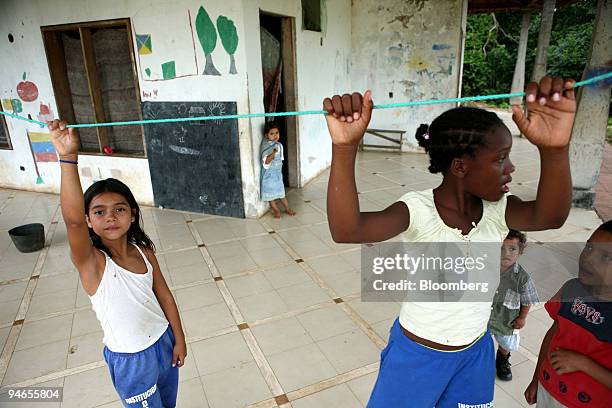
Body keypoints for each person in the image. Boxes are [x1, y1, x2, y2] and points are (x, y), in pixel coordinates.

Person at [322, 76, 576, 407]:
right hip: (416, 357)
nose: (511, 169)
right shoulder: (418, 210)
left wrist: (555, 150)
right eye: (501, 158)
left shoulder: (498, 210)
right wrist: (344, 147)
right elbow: (347, 230)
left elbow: (550, 217)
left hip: (474, 354)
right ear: (460, 167)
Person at [48, 120, 187, 408]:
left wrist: (179, 337)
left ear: (133, 215)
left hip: (163, 341)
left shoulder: (145, 251)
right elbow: (71, 220)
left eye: (119, 209)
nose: (110, 217)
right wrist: (68, 158)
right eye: (99, 212)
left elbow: (165, 297)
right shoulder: (93, 264)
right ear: (88, 220)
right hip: (131, 360)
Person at [524, 220, 612, 407]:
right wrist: (536, 378)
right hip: (547, 390)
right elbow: (553, 332)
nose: (589, 259)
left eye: (605, 257)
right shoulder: (571, 289)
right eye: (589, 248)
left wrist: (584, 364)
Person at [488, 229, 539, 381]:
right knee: (480, 339)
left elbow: (527, 300)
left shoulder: (523, 279)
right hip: (485, 315)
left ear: (520, 252)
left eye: (512, 249)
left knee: (506, 343)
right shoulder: (485, 269)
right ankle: (478, 361)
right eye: (501, 248)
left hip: (507, 319)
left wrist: (522, 318)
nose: (506, 253)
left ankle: (502, 359)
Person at [260, 121, 295, 218]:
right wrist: (273, 153)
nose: (275, 135)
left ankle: (287, 208)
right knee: (270, 195)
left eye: (277, 133)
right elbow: (266, 162)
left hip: (277, 174)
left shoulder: (278, 145)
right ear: (266, 135)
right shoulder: (266, 146)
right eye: (272, 133)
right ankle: (276, 210)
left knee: (281, 192)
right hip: (269, 175)